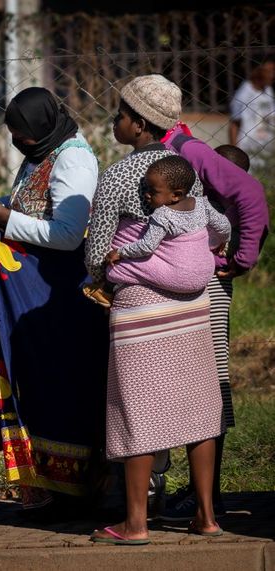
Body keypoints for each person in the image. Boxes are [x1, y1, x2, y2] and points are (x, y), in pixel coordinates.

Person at [0, 86, 106, 518]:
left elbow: (68, 233)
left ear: (42, 128)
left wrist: (5, 221)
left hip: (58, 297)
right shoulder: (41, 154)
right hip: (32, 293)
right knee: (35, 383)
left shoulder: (72, 158)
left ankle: (76, 491)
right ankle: (51, 487)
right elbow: (29, 207)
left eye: (23, 135)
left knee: (61, 386)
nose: (19, 142)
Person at [86, 74, 223, 544]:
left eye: (121, 114)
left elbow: (97, 250)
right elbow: (204, 228)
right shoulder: (183, 170)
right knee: (200, 407)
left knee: (135, 409)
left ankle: (136, 523)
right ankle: (206, 516)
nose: (114, 121)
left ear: (141, 124)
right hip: (191, 305)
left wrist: (102, 276)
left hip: (140, 308)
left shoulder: (121, 176)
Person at [160, 80, 269, 523]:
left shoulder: (217, 202)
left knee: (211, 385)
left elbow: (251, 200)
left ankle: (210, 495)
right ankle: (202, 491)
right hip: (198, 285)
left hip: (211, 290)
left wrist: (241, 258)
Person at [87, 156, 232, 307]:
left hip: (181, 278)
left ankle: (106, 292)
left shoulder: (163, 215)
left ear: (176, 195)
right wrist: (221, 241)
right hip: (205, 274)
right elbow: (225, 226)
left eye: (153, 191)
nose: (146, 194)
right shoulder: (203, 204)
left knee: (123, 266)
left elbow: (147, 247)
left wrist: (119, 252)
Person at [229, 58, 274, 174]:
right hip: (249, 148)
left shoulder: (268, 91)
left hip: (267, 147)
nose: (272, 75)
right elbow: (234, 123)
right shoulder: (244, 93)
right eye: (269, 71)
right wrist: (235, 151)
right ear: (258, 70)